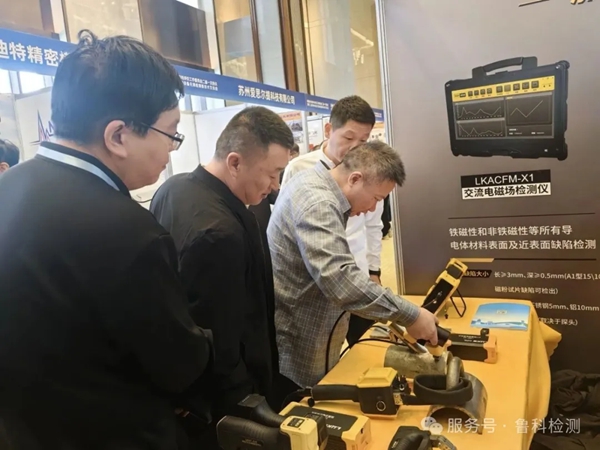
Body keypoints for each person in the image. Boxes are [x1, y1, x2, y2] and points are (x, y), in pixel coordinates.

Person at [0, 31, 213, 450]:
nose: (172, 150)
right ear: (118, 136)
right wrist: (206, 340)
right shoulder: (130, 231)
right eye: (171, 133)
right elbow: (177, 366)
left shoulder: (9, 187)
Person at [150, 106, 293, 447]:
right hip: (224, 403)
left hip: (183, 388)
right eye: (272, 174)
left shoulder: (173, 188)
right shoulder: (221, 232)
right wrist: (245, 404)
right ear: (235, 162)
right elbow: (222, 339)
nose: (274, 187)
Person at [268, 141, 439, 400]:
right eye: (376, 199)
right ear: (355, 179)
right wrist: (411, 315)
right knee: (304, 404)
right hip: (299, 339)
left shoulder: (315, 183)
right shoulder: (318, 202)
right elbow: (339, 280)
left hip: (313, 330)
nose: (372, 209)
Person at [280, 96, 383, 347]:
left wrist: (374, 271)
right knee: (323, 349)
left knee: (365, 347)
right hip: (314, 281)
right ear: (329, 130)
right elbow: (284, 219)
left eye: (363, 141)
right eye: (348, 138)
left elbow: (373, 224)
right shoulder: (299, 168)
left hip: (356, 274)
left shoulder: (370, 170)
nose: (355, 148)